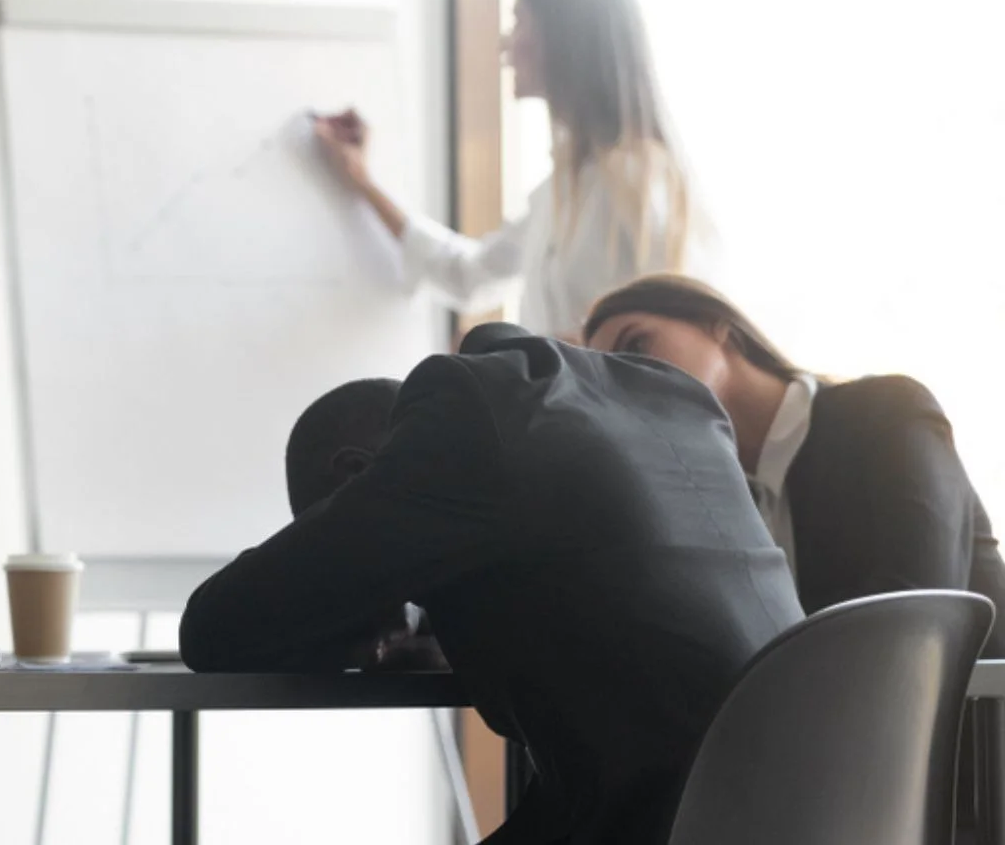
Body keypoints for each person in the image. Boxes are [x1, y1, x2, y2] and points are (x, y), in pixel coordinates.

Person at [180, 322, 802, 845]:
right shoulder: (670, 401)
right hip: (814, 794)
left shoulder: (459, 418)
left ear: (355, 474)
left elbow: (216, 627)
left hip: (664, 819)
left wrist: (350, 613)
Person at [583, 274, 1005, 652]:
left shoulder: (886, 416)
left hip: (975, 724)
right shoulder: (709, 504)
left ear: (717, 325)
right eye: (611, 379)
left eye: (636, 345)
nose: (630, 379)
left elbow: (921, 610)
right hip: (842, 728)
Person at [313, 0, 696, 338]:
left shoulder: (641, 185)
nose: (504, 45)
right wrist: (362, 181)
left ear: (562, 36)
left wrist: (511, 359)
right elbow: (467, 275)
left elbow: (666, 343)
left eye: (519, 21)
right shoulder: (559, 193)